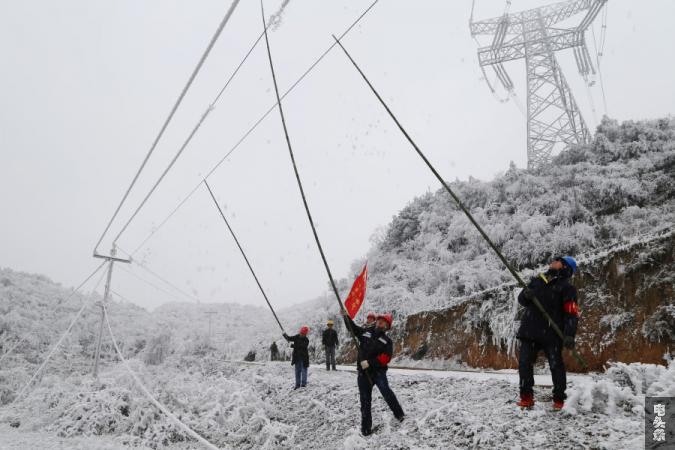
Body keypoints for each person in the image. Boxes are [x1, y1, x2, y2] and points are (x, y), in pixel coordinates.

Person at [516, 256, 580, 410]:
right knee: (524, 364)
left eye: (557, 260)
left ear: (565, 267)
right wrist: (526, 294)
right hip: (530, 330)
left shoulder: (567, 288)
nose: (552, 262)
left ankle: (559, 399)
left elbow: (571, 313)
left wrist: (570, 334)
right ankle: (526, 397)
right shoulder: (538, 280)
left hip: (552, 333)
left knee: (556, 365)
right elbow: (522, 300)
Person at [343, 311, 404, 436]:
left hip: (378, 372)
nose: (380, 322)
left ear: (387, 326)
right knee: (365, 401)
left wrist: (370, 363)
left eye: (383, 321)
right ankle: (366, 429)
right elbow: (352, 329)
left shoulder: (387, 341)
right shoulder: (365, 332)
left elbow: (385, 358)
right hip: (363, 374)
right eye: (379, 320)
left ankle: (400, 415)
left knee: (386, 391)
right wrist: (345, 316)